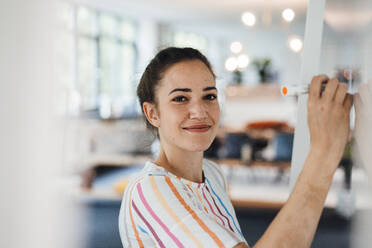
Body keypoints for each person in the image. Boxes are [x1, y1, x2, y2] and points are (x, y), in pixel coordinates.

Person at [118, 47, 353, 248]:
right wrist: (324, 150)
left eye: (209, 96)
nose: (200, 112)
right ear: (153, 113)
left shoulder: (212, 173)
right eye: (180, 99)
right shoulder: (148, 190)